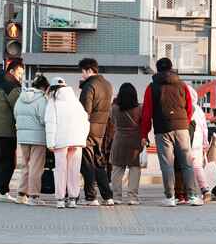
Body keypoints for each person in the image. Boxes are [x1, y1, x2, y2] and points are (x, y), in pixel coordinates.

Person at [140, 58, 203, 207]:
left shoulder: (152, 87)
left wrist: (144, 133)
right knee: (186, 163)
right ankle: (193, 196)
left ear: (157, 69)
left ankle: (170, 197)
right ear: (171, 67)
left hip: (162, 129)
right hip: (182, 127)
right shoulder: (182, 85)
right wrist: (184, 123)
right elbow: (189, 107)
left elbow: (147, 112)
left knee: (167, 164)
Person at [45, 77, 90, 209]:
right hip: (76, 141)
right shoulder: (76, 102)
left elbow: (50, 123)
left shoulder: (53, 102)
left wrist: (50, 143)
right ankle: (72, 198)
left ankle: (60, 199)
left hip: (60, 141)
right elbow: (85, 122)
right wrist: (82, 138)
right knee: (74, 170)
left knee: (60, 170)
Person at [0, 59, 24, 203]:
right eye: (20, 73)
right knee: (9, 162)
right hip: (5, 129)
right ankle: (2, 191)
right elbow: (18, 106)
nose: (20, 77)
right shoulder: (11, 85)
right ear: (12, 71)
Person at [78, 58, 115, 206]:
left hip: (88, 128)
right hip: (102, 128)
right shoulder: (108, 84)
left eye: (83, 71)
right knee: (99, 162)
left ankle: (91, 197)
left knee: (87, 163)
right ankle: (107, 196)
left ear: (89, 70)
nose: (82, 75)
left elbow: (84, 111)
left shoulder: (90, 85)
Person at [13, 74, 50, 206]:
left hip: (23, 137)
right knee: (36, 167)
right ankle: (34, 196)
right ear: (44, 88)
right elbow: (44, 118)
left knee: (25, 165)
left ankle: (21, 194)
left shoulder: (21, 98)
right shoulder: (42, 100)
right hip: (38, 138)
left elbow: (15, 114)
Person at [110, 83, 143, 205]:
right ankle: (132, 197)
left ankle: (117, 197)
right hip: (135, 140)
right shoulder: (139, 108)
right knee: (134, 168)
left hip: (119, 140)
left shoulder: (114, 108)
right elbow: (143, 123)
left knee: (117, 169)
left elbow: (113, 122)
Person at [187, 84, 211, 203]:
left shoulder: (185, 109)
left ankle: (188, 193)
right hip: (198, 142)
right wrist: (205, 143)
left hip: (187, 142)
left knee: (185, 168)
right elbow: (204, 127)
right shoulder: (199, 109)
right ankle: (205, 189)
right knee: (197, 167)